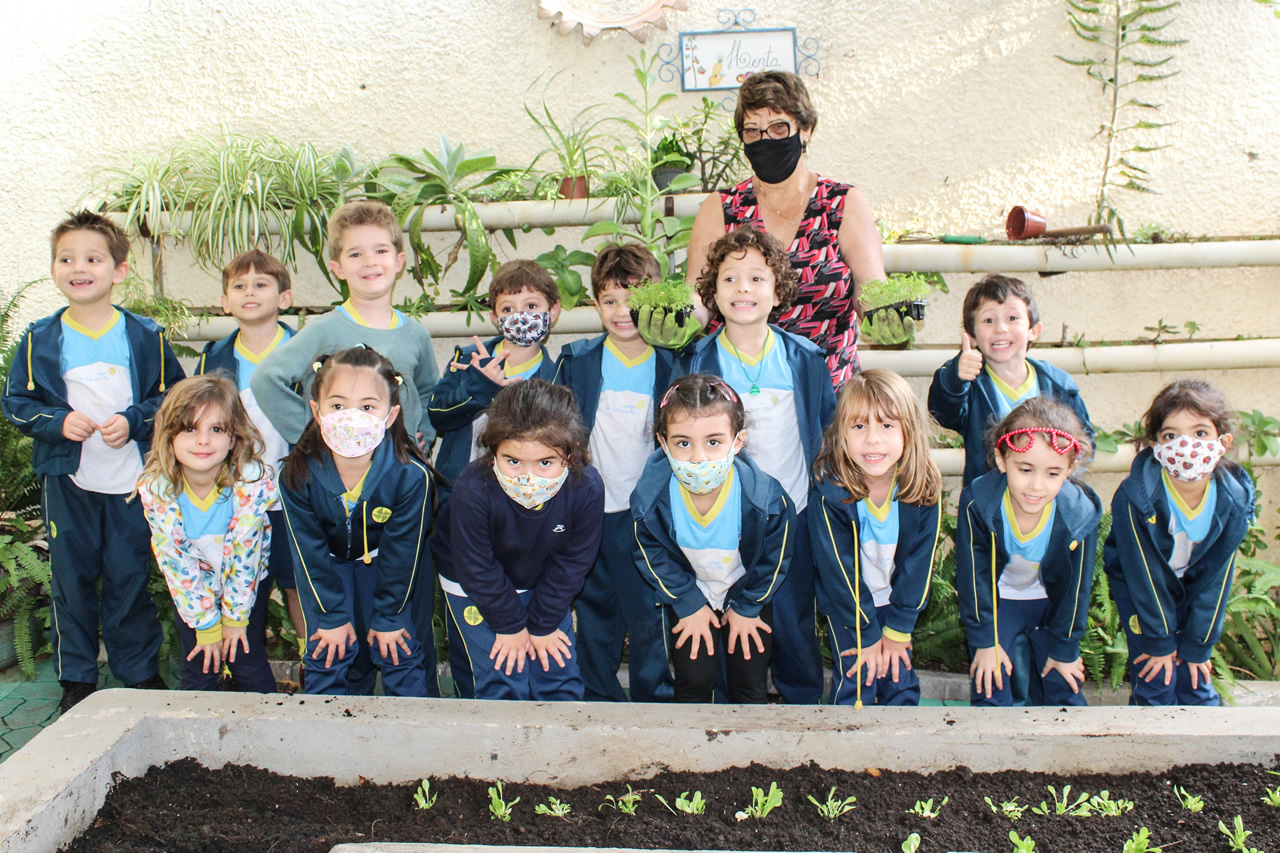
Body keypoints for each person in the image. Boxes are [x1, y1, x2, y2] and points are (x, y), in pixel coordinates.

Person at [2, 211, 183, 712]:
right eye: (66, 258)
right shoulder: (41, 338)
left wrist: (136, 420)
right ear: (54, 268)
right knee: (72, 580)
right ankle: (77, 679)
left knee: (128, 576)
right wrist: (56, 423)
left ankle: (139, 672)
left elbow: (174, 396)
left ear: (119, 270)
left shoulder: (145, 336)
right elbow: (16, 402)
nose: (78, 267)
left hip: (132, 481)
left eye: (92, 258)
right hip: (68, 481)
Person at [678, 226, 834, 704]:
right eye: (729, 279)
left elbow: (825, 431)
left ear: (777, 289)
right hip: (726, 518)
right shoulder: (698, 360)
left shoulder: (803, 357)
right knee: (730, 623)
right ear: (712, 292)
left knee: (791, 623)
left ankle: (803, 707)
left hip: (795, 516)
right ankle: (729, 717)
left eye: (755, 278)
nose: (742, 290)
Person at [676, 70, 885, 386]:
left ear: (805, 130)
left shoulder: (842, 203)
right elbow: (699, 294)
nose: (766, 140)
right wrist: (679, 320)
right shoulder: (721, 207)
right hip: (739, 395)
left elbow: (870, 287)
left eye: (778, 128)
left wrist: (884, 314)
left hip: (826, 396)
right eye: (753, 131)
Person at [427, 259, 562, 696]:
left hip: (525, 516)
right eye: (508, 307)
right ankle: (472, 698)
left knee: (517, 603)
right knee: (469, 614)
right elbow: (439, 415)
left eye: (531, 304)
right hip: (460, 506)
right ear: (493, 315)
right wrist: (481, 388)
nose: (519, 315)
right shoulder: (470, 358)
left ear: (553, 312)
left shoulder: (558, 373)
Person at [553, 243, 675, 703]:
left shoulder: (671, 363)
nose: (622, 312)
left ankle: (654, 704)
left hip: (647, 517)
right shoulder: (578, 361)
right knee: (595, 610)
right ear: (596, 304)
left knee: (649, 614)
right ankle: (597, 701)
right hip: (591, 514)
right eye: (610, 301)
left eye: (634, 299)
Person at [432, 380, 604, 701]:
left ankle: (563, 746)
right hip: (473, 585)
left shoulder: (587, 486)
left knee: (556, 668)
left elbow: (573, 561)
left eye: (545, 463)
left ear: (570, 453)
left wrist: (542, 624)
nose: (528, 477)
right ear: (492, 451)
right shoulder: (473, 487)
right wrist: (510, 626)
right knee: (502, 672)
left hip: (542, 580)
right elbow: (476, 566)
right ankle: (500, 749)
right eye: (513, 461)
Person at [278, 346, 434, 697]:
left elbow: (403, 555)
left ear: (391, 414)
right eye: (338, 406)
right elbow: (308, 553)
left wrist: (390, 616)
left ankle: (414, 739)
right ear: (317, 411)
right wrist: (331, 616)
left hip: (385, 569)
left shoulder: (410, 478)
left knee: (398, 647)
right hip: (328, 572)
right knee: (328, 649)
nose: (352, 417)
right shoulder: (296, 474)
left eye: (367, 407)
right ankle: (324, 739)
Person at [631, 373, 794, 704]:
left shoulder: (766, 501)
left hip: (747, 593)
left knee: (749, 682)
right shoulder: (649, 500)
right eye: (683, 443)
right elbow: (650, 553)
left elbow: (774, 559)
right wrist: (688, 604)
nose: (698, 457)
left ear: (738, 441)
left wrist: (748, 608)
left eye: (714, 442)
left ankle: (750, 752)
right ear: (663, 443)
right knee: (693, 681)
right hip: (690, 594)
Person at [1103, 380, 1255, 706]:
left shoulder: (1234, 501)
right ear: (1155, 446)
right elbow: (1142, 575)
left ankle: (1208, 752)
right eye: (1171, 435)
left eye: (1200, 433)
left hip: (1196, 588)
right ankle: (1149, 749)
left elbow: (1217, 580)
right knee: (1156, 677)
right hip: (1142, 593)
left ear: (1222, 442)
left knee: (1195, 678)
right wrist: (1159, 642)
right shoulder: (1135, 499)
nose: (1186, 445)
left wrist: (1199, 645)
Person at [251, 200, 439, 450]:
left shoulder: (416, 335)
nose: (370, 262)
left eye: (381, 251)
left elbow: (429, 392)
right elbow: (265, 380)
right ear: (338, 268)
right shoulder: (323, 330)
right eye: (355, 254)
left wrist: (420, 435)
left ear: (399, 261)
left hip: (398, 471)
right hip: (335, 472)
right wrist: (312, 438)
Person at [956, 398, 1101, 707]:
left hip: (1050, 604)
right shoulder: (979, 504)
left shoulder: (1080, 516)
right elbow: (974, 576)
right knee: (989, 680)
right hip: (1000, 602)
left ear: (1070, 469)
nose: (1036, 486)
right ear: (1001, 459)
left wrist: (1065, 649)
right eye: (1025, 469)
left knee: (1063, 684)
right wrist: (984, 640)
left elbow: (1077, 590)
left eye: (1052, 473)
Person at [810, 369, 943, 707]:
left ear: (908, 432)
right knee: (859, 681)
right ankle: (848, 755)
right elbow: (837, 570)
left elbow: (919, 565)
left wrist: (898, 630)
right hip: (850, 606)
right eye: (859, 426)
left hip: (895, 602)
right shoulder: (830, 491)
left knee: (898, 678)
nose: (872, 439)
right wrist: (865, 632)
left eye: (886, 425)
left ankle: (903, 754)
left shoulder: (922, 487)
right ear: (840, 434)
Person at [136, 375, 276, 693]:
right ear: (168, 435)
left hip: (245, 582)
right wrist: (206, 624)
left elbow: (246, 557)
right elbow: (175, 562)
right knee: (200, 662)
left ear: (234, 438)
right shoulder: (158, 492)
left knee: (245, 658)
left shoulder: (249, 487)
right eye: (189, 429)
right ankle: (192, 740)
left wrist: (235, 619)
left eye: (216, 429)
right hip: (192, 587)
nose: (203, 441)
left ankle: (268, 735)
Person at [196, 249, 303, 647]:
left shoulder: (308, 354)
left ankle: (317, 666)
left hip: (296, 496)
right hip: (236, 497)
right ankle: (242, 667)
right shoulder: (215, 357)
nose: (249, 292)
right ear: (225, 301)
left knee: (299, 586)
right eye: (239, 286)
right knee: (241, 587)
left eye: (261, 284)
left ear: (284, 297)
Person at [928, 274, 1092, 486]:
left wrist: (1063, 478)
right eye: (989, 320)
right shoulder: (969, 385)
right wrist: (954, 379)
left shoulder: (1059, 385)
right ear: (972, 337)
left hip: (1048, 497)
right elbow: (942, 414)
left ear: (1034, 330)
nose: (1001, 329)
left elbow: (1084, 439)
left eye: (1012, 318)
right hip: (989, 505)